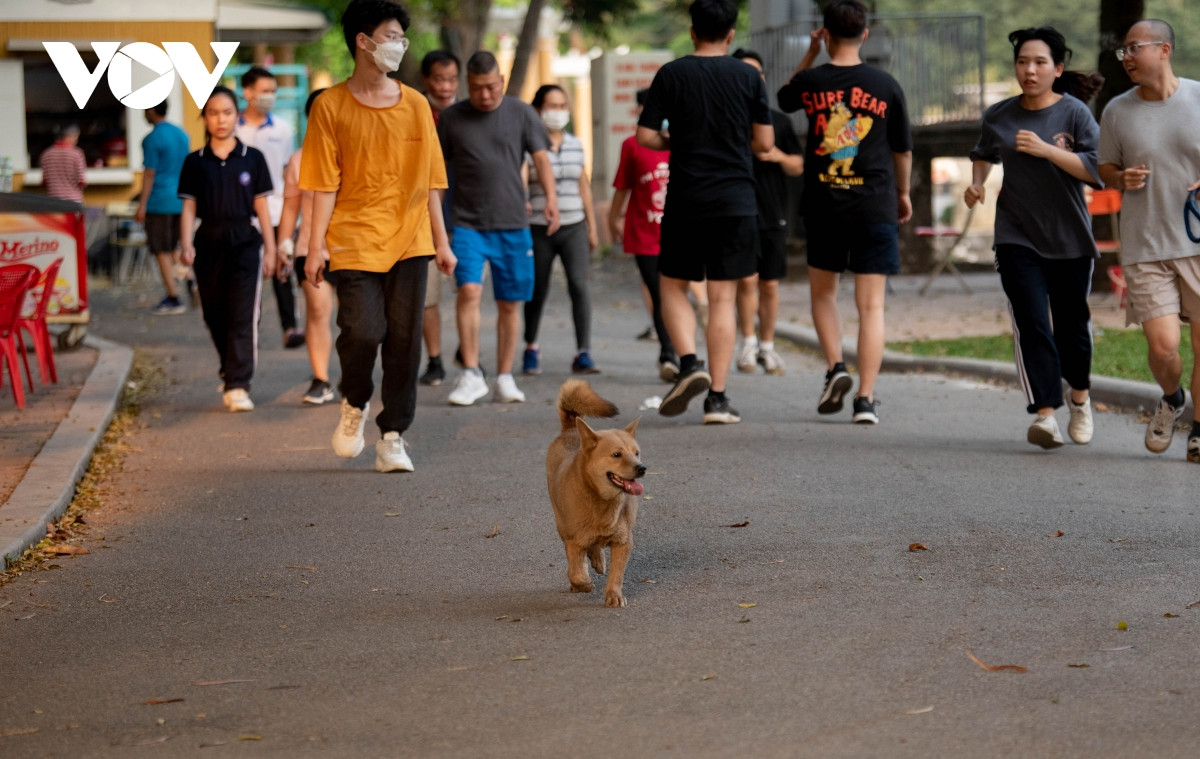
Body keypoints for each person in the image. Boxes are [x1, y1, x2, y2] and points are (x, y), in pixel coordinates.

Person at [301, 0, 455, 472]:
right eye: (391, 37)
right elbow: (323, 184)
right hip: (352, 240)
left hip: (411, 241)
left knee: (406, 340)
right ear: (363, 42)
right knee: (363, 332)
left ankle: (392, 436)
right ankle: (355, 402)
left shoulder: (415, 104)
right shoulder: (329, 106)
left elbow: (431, 179)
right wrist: (314, 245)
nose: (399, 46)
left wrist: (442, 242)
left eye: (402, 38)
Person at [636, 0, 774, 425]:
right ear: (731, 35)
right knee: (723, 297)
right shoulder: (748, 76)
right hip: (736, 201)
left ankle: (690, 362)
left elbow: (645, 136)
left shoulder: (672, 74)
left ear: (693, 31)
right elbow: (765, 143)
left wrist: (677, 143)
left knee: (673, 285)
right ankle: (717, 398)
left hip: (687, 199)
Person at [965, 27, 1103, 449]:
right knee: (1030, 321)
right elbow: (983, 153)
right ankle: (1045, 414)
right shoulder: (1000, 114)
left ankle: (1079, 398)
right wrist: (976, 185)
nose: (1030, 69)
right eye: (1023, 61)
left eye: (1040, 62)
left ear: (1057, 69)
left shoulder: (1075, 113)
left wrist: (1049, 151)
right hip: (1016, 234)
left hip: (1070, 238)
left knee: (1072, 330)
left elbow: (1098, 171)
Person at [777, 0, 912, 425]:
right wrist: (903, 194)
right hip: (875, 205)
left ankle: (836, 367)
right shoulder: (886, 84)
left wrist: (811, 55)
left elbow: (783, 98)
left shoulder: (813, 81)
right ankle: (866, 400)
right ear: (865, 35)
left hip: (825, 205)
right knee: (871, 307)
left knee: (824, 294)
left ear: (825, 33)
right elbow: (902, 148)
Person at [1098, 18, 1200, 463]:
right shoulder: (1117, 110)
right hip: (1146, 245)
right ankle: (1173, 397)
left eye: (1133, 48)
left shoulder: (1199, 97)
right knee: (1163, 348)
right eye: (1123, 50)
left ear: (1164, 50)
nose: (1126, 58)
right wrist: (1120, 177)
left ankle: (1199, 430)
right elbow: (1105, 168)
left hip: (1196, 241)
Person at [438, 50, 559, 406]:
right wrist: (438, 225)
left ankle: (505, 376)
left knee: (510, 303)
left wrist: (549, 199)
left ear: (502, 82)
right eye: (477, 89)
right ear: (467, 86)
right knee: (469, 293)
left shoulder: (521, 113)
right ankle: (472, 372)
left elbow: (540, 158)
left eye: (491, 87)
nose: (485, 95)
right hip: (466, 223)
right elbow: (438, 174)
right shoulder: (451, 118)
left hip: (512, 224)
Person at [177, 86, 277, 413]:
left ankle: (238, 383)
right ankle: (229, 367)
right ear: (204, 119)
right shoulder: (195, 162)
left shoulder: (253, 158)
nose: (221, 119)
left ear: (237, 115)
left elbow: (262, 206)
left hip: (245, 242)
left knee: (242, 313)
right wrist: (186, 244)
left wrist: (272, 250)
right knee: (214, 313)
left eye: (227, 112)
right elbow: (189, 207)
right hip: (208, 241)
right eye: (213, 113)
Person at [731, 48, 805, 377]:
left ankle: (768, 347)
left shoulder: (780, 120)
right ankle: (747, 344)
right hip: (738, 211)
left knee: (770, 285)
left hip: (773, 212)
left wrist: (775, 155)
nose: (754, 79)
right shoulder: (727, 119)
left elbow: (798, 165)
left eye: (758, 74)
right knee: (746, 281)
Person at [522, 84, 600, 375]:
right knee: (537, 289)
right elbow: (521, 184)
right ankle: (531, 346)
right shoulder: (529, 147)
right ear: (538, 110)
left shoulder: (576, 144)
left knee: (580, 286)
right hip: (539, 229)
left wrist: (592, 228)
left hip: (574, 226)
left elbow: (584, 186)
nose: (558, 112)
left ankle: (584, 352)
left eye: (562, 105)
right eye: (552, 106)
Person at [609, 87, 678, 382]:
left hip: (679, 232)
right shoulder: (632, 145)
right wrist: (613, 218)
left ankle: (681, 350)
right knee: (658, 291)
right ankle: (668, 353)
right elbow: (622, 185)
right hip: (644, 233)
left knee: (679, 293)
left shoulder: (684, 143)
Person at [236, 66, 304, 349]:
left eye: (273, 91)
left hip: (278, 212)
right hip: (243, 215)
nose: (269, 97)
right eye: (264, 91)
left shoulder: (283, 129)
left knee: (282, 271)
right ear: (247, 92)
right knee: (248, 277)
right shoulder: (234, 129)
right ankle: (248, 331)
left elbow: (290, 170)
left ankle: (290, 328)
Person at [278, 88, 336, 405]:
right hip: (311, 250)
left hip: (355, 251)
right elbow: (290, 207)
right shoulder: (299, 161)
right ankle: (321, 379)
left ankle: (356, 378)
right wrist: (283, 244)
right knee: (317, 311)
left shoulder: (355, 154)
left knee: (357, 321)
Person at [417, 49, 461, 387]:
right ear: (426, 81)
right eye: (438, 79)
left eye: (451, 79)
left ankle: (469, 356)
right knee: (428, 296)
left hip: (469, 220)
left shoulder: (471, 114)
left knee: (470, 292)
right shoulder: (414, 116)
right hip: (427, 222)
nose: (445, 87)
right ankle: (435, 359)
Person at [136, 102, 193, 315]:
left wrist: (141, 205)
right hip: (181, 200)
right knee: (175, 248)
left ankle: (173, 297)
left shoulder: (151, 139)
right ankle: (191, 279)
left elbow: (149, 173)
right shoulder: (182, 134)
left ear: (150, 110)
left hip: (159, 201)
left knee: (161, 250)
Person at [39, 124, 87, 203]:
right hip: (73, 200)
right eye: (76, 137)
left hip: (53, 200)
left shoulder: (46, 154)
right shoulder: (77, 154)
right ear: (70, 136)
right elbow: (81, 181)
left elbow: (45, 181)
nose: (76, 140)